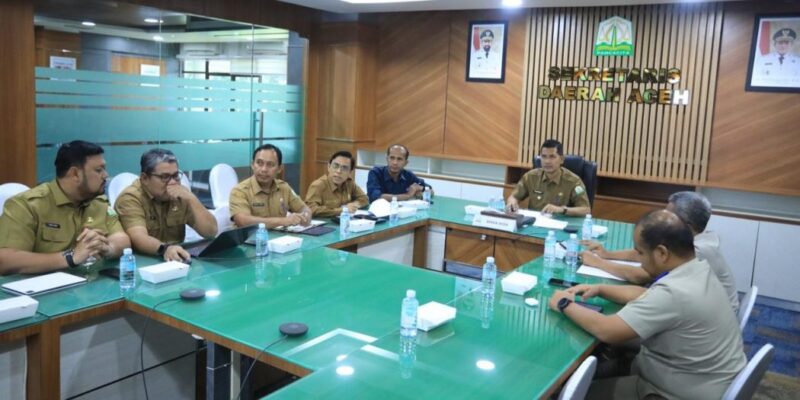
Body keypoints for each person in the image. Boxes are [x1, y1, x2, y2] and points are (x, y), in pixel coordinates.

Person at [548, 210, 746, 400]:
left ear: (661, 253)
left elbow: (607, 330)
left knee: (566, 393)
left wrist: (564, 303)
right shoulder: (698, 269)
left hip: (672, 392)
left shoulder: (675, 293)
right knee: (601, 365)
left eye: (640, 253)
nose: (639, 260)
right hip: (703, 378)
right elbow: (649, 295)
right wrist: (601, 289)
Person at [580, 191, 739, 313]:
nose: (663, 219)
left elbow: (640, 276)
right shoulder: (694, 238)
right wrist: (608, 254)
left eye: (669, 216)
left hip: (703, 325)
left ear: (685, 224)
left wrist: (598, 263)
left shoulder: (698, 250)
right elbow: (644, 252)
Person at [0, 141, 130, 275]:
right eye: (98, 170)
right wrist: (70, 257)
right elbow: (6, 260)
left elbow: (122, 239)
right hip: (38, 288)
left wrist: (108, 248)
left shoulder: (98, 202)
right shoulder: (27, 205)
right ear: (75, 174)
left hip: (86, 285)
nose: (105, 175)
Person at [114, 149, 217, 263]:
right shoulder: (130, 198)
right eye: (165, 177)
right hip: (142, 263)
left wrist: (192, 199)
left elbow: (210, 232)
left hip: (176, 261)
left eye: (176, 175)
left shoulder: (180, 194)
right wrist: (165, 249)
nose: (172, 182)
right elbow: (138, 237)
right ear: (144, 179)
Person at [229, 144, 311, 228]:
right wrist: (284, 221)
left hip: (278, 238)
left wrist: (305, 216)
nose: (264, 169)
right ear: (252, 165)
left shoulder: (284, 188)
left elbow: (304, 208)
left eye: (270, 164)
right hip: (250, 239)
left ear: (279, 168)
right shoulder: (239, 191)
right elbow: (243, 221)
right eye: (259, 163)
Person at [506, 139, 590, 216]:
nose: (547, 161)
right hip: (534, 224)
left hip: (560, 225)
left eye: (552, 157)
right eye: (544, 156)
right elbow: (514, 197)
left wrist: (562, 210)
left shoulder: (574, 181)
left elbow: (586, 210)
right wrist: (512, 203)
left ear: (561, 159)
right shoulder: (531, 177)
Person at [305, 150, 369, 217]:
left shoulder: (349, 183)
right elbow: (310, 209)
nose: (338, 171)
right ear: (329, 167)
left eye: (344, 168)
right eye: (335, 166)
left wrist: (354, 205)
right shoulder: (318, 185)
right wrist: (341, 210)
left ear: (350, 172)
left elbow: (364, 199)